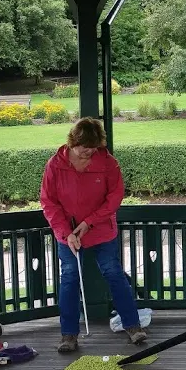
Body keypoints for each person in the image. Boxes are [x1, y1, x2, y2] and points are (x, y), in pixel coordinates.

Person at [40, 117, 147, 353]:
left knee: (113, 273)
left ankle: (133, 326)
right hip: (68, 235)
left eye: (93, 148)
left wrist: (89, 222)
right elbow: (49, 202)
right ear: (72, 143)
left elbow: (114, 198)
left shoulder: (108, 163)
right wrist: (66, 233)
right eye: (83, 149)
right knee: (69, 278)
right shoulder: (55, 165)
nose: (88, 153)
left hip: (101, 231)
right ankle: (68, 335)